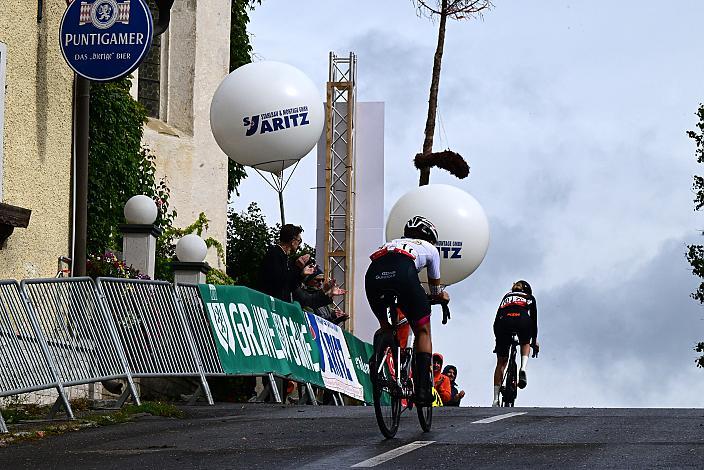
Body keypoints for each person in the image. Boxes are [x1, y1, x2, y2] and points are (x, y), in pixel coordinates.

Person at [365, 215, 450, 406]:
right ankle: (422, 390)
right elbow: (435, 291)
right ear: (430, 236)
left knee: (386, 326)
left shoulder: (390, 244)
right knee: (422, 330)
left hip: (373, 275)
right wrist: (443, 296)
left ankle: (378, 354)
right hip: (403, 274)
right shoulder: (430, 248)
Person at [492, 280, 539, 407]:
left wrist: (498, 341)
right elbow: (534, 321)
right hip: (522, 320)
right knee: (525, 342)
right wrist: (534, 341)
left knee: (501, 362)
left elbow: (497, 318)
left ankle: (495, 399)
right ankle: (523, 368)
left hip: (503, 322)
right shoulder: (529, 297)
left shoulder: (506, 296)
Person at [257, 224, 315, 302]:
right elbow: (279, 282)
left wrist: (302, 273)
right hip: (271, 303)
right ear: (293, 241)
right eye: (299, 241)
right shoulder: (275, 254)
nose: (299, 245)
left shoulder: (285, 257)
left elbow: (290, 285)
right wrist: (297, 267)